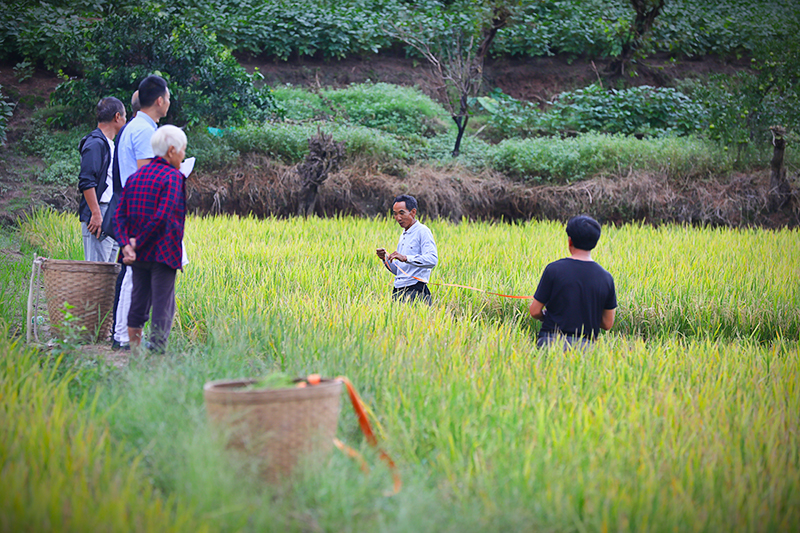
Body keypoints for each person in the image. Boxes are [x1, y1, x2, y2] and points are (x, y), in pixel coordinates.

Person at [113, 125, 187, 353]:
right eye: (183, 150)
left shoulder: (136, 177)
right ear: (172, 150)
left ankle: (135, 352)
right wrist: (137, 242)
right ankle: (156, 355)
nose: (184, 155)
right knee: (162, 305)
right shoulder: (174, 177)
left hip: (139, 255)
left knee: (138, 301)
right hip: (163, 252)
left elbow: (119, 215)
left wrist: (127, 244)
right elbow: (162, 215)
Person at [112, 76, 171, 350]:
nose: (169, 102)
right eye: (167, 98)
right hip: (141, 211)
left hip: (132, 208)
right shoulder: (145, 132)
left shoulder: (134, 126)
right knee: (134, 277)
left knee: (133, 275)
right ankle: (124, 336)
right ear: (159, 100)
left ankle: (123, 334)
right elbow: (150, 177)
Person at [529, 215, 617, 349]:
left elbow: (535, 311)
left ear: (570, 241)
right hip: (586, 347)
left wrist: (547, 315)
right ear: (595, 243)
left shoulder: (554, 270)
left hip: (551, 342)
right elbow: (607, 323)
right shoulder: (606, 278)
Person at [77, 97, 126, 262]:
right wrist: (96, 214)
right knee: (96, 270)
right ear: (117, 117)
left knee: (109, 272)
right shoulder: (95, 144)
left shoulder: (109, 144)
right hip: (99, 212)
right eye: (125, 117)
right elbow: (86, 181)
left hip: (110, 212)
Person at [376, 194, 438, 304]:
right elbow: (400, 271)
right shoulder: (404, 234)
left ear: (413, 212)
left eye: (401, 213)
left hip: (415, 291)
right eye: (395, 214)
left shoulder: (422, 231)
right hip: (398, 291)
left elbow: (432, 260)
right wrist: (385, 259)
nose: (398, 218)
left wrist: (405, 258)